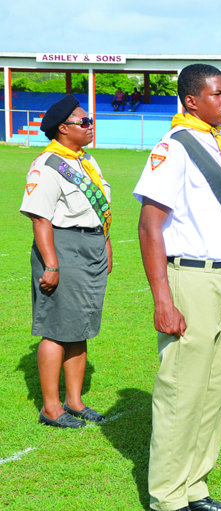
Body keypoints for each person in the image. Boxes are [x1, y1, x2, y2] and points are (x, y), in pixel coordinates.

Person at [134, 63, 221, 511]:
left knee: (218, 390)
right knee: (182, 391)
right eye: (217, 94)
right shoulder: (175, 147)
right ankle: (168, 497)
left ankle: (195, 486)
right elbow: (150, 227)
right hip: (193, 277)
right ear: (191, 100)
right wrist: (163, 300)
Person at [21, 95, 111, 429]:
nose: (90, 126)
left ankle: (74, 401)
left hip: (91, 246)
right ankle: (51, 407)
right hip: (63, 247)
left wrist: (106, 244)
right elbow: (40, 218)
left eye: (90, 121)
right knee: (56, 329)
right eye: (83, 122)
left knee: (80, 326)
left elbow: (99, 210)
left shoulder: (85, 161)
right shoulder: (48, 164)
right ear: (62, 128)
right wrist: (51, 264)